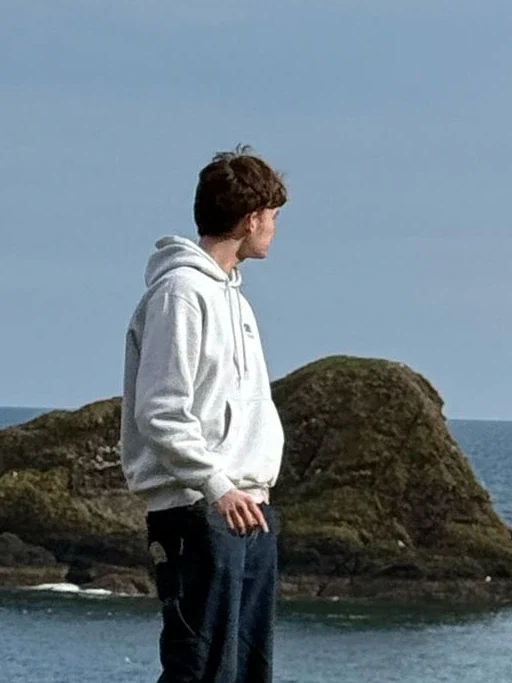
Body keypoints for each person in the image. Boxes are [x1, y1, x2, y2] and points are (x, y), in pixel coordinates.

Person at [120, 146, 288, 682]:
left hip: (247, 509)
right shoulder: (180, 293)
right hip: (201, 511)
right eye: (273, 216)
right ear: (249, 218)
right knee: (201, 670)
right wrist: (216, 485)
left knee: (245, 672)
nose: (274, 228)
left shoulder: (234, 300)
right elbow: (161, 410)